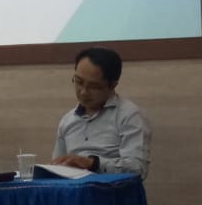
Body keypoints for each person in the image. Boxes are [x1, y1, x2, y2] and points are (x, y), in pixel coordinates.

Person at [51, 47, 151, 179]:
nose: (83, 92)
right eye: (79, 82)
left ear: (112, 85)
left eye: (93, 86)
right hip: (74, 190)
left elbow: (137, 169)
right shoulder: (67, 120)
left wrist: (93, 164)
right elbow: (57, 167)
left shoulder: (129, 116)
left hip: (113, 191)